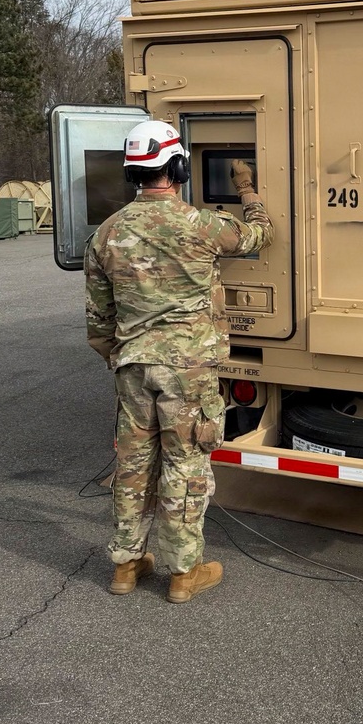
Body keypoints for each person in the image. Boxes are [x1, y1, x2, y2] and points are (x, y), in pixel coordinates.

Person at [84, 120, 274, 602]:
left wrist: (124, 355)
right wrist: (245, 185)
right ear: (179, 167)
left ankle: (125, 567)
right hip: (188, 370)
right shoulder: (203, 225)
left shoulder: (106, 233)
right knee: (185, 464)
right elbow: (259, 235)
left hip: (132, 366)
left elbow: (98, 321)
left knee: (133, 464)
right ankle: (184, 573)